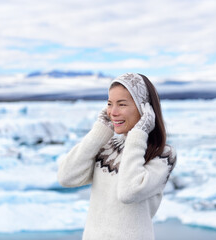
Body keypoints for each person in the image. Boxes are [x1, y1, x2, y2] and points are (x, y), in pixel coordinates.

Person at [57, 73, 177, 240]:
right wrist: (100, 131)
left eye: (121, 104)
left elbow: (128, 192)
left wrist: (138, 134)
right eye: (109, 104)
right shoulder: (108, 147)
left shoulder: (162, 154)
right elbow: (66, 177)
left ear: (145, 109)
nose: (113, 112)